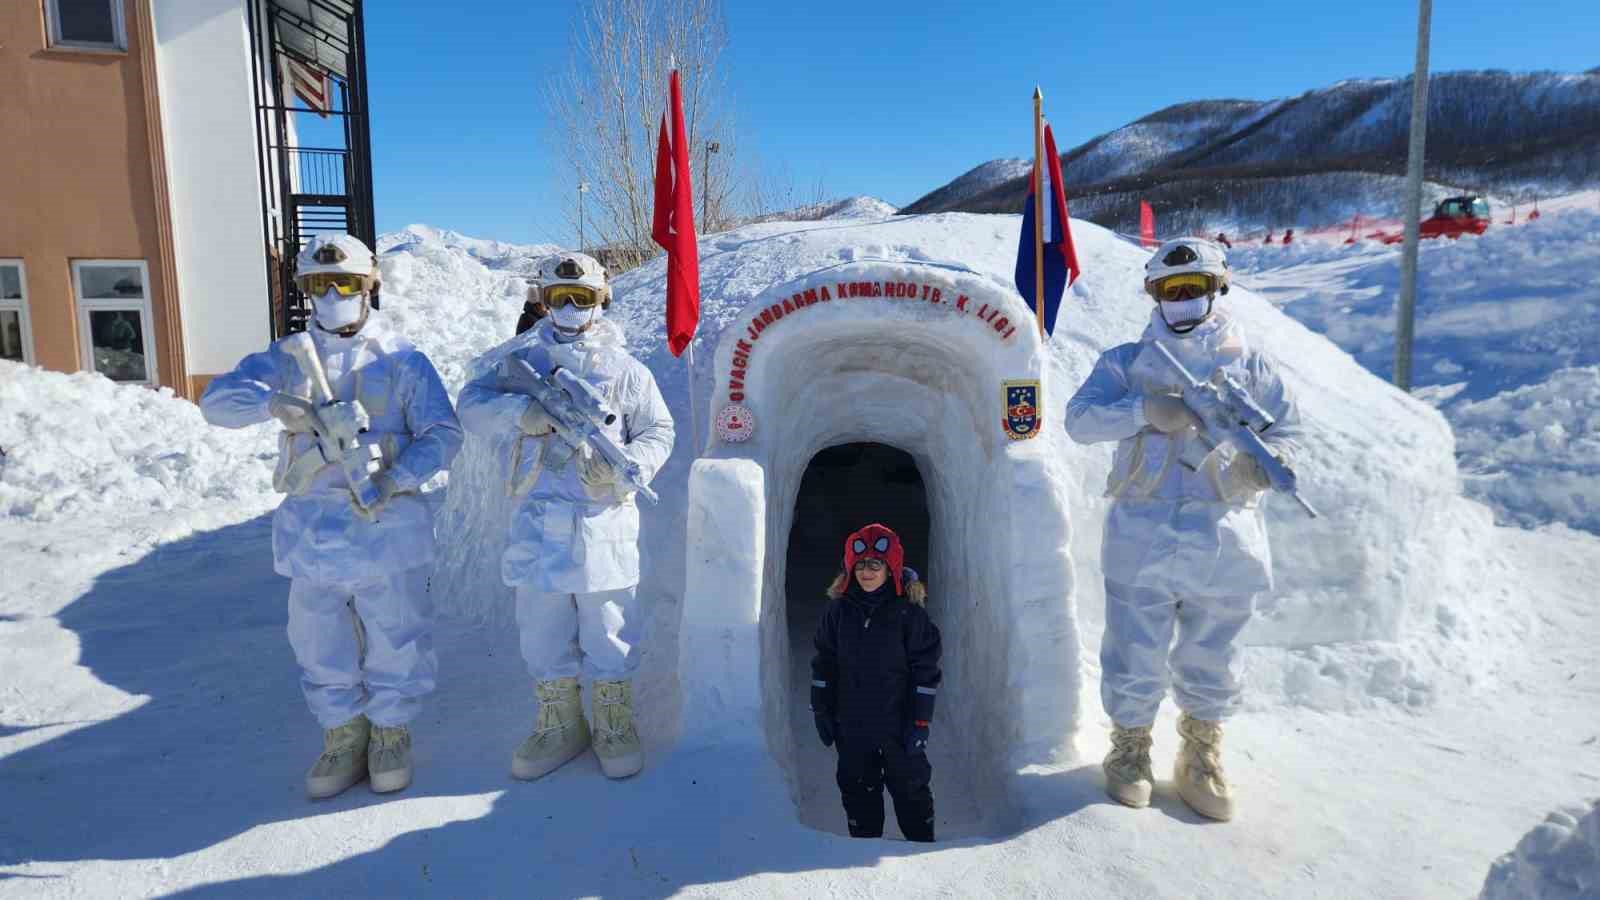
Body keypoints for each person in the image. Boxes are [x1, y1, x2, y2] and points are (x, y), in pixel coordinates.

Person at [201, 233, 463, 799]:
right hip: (312, 528)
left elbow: (442, 434)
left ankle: (390, 730)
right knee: (317, 637)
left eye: (346, 282)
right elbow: (216, 404)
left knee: (396, 631)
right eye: (321, 284)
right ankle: (342, 732)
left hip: (385, 523)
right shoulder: (285, 358)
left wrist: (397, 478)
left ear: (370, 286)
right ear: (305, 291)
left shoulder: (401, 360)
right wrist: (277, 404)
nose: (334, 294)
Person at [1064, 237, 1303, 822]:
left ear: (1216, 288)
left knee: (1213, 652)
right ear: (1154, 294)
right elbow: (1079, 420)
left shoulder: (1251, 367)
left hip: (1224, 536)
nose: (1181, 300)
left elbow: (1291, 435)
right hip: (1141, 533)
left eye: (1193, 288)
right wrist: (1144, 412)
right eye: (1170, 290)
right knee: (1132, 650)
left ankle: (1200, 753)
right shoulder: (1124, 363)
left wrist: (1267, 463)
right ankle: (1130, 749)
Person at [457, 251, 674, 781]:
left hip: (603, 521)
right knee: (541, 627)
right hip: (537, 520)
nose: (572, 308)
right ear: (543, 302)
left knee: (610, 624)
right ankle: (560, 720)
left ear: (602, 300)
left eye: (583, 297)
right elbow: (470, 404)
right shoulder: (520, 363)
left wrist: (626, 470)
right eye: (560, 298)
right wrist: (522, 415)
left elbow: (659, 432)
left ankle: (612, 719)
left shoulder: (627, 372)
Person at [810, 523, 942, 842]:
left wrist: (920, 721)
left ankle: (922, 847)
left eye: (875, 564)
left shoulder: (910, 615)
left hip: (898, 723)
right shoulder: (838, 612)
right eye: (860, 565)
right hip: (852, 723)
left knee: (910, 785)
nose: (867, 572)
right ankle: (862, 849)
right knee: (857, 787)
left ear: (891, 568)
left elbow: (925, 670)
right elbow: (824, 661)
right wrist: (821, 709)